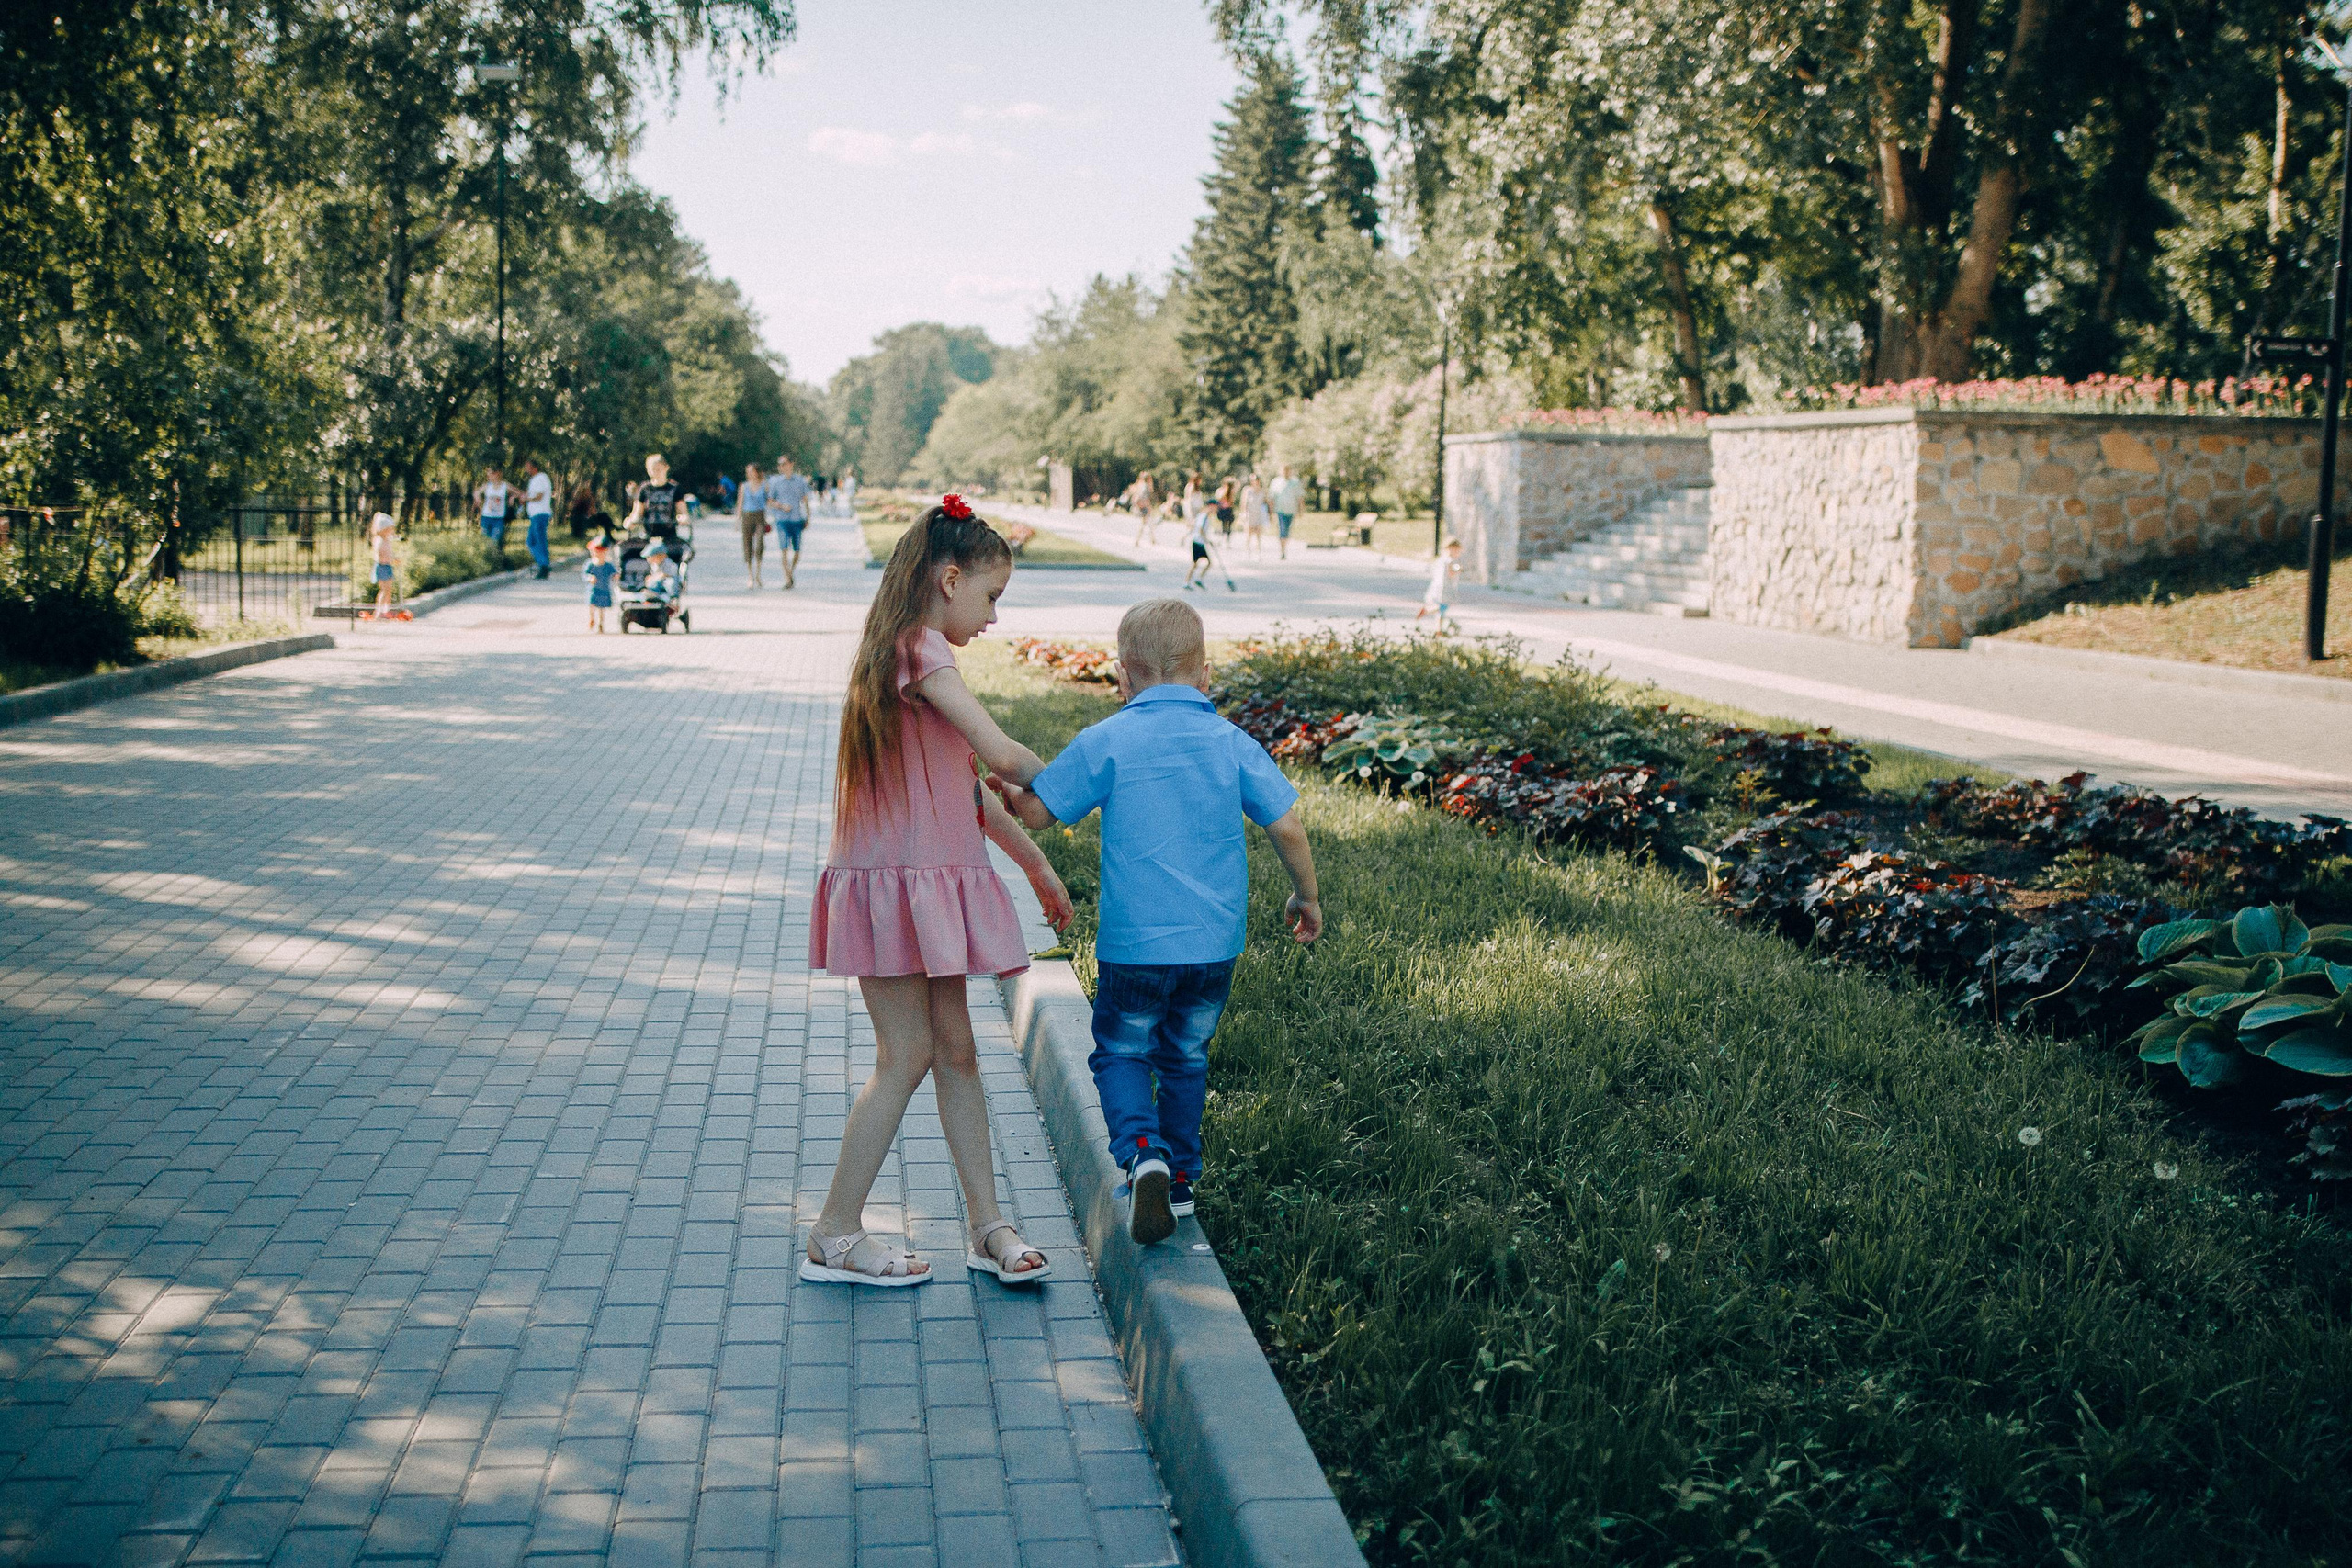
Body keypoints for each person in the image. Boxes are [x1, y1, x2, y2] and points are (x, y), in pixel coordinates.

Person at [801, 495, 1073, 1289]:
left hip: (921, 890)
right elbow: (998, 752)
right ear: (949, 578)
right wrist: (1088, 784)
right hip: (897, 889)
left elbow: (968, 789)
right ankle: (834, 1232)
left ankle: (986, 1226)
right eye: (991, 596)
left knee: (956, 1050)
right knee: (909, 1053)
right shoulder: (919, 648)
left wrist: (1035, 865)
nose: (993, 616)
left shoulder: (909, 649)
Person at [990, 598, 1321, 1243]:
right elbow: (1286, 823)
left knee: (1121, 1049)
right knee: (1185, 1055)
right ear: (1206, 676)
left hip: (1134, 946)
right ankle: (1182, 1179)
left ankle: (1144, 1152)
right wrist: (1305, 895)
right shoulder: (1231, 741)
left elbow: (1037, 814)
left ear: (1123, 677)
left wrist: (1009, 790)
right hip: (1213, 947)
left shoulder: (1109, 738)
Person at [765, 457, 813, 591]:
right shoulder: (775, 482)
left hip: (797, 520)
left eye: (784, 464)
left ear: (791, 464)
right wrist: (780, 506)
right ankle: (787, 578)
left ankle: (790, 572)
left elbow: (805, 500)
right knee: (784, 549)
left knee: (797, 552)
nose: (782, 467)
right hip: (782, 520)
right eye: (780, 465)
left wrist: (808, 518)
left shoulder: (800, 481)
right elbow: (769, 501)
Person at [627, 455, 683, 546]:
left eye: (659, 469)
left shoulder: (675, 489)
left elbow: (683, 512)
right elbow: (637, 513)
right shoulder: (644, 489)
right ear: (649, 471)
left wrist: (682, 518)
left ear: (666, 468)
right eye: (653, 470)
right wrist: (631, 521)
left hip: (670, 537)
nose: (657, 473)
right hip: (648, 536)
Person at [1417, 536, 1464, 634]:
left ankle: (1438, 629)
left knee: (1441, 610)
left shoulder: (1441, 560)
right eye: (1456, 551)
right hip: (1445, 588)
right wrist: (1459, 570)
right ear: (1450, 549)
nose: (1457, 553)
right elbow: (1451, 573)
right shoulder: (1450, 561)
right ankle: (1427, 610)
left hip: (1437, 585)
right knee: (1443, 607)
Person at [522, 459, 554, 578]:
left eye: (528, 466)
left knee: (539, 540)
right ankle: (543, 563)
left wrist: (527, 499)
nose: (526, 469)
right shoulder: (534, 480)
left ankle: (544, 565)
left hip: (540, 514)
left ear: (534, 467)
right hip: (534, 515)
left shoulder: (541, 478)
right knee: (531, 541)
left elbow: (539, 496)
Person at [739, 463, 768, 588]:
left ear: (757, 472)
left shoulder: (764, 485)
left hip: (760, 516)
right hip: (747, 515)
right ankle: (750, 575)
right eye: (748, 471)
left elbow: (769, 500)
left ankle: (758, 574)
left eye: (751, 471)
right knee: (747, 544)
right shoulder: (744, 486)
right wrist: (737, 519)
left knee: (759, 544)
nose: (749, 474)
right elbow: (740, 502)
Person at [1269, 465, 1304, 561]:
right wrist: (1271, 512)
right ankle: (1282, 550)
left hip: (1291, 510)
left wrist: (1301, 510)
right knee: (1282, 529)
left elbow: (1300, 497)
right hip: (1280, 510)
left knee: (1287, 531)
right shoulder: (1276, 482)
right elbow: (1272, 498)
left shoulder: (1295, 482)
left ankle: (1284, 547)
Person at [368, 513, 400, 617]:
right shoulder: (379, 541)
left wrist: (394, 559)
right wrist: (390, 559)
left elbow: (389, 553)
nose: (391, 531)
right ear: (383, 530)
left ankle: (386, 609)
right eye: (389, 529)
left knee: (389, 589)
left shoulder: (386, 540)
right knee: (384, 589)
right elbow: (382, 555)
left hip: (387, 566)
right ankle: (379, 610)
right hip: (382, 567)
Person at [582, 538, 616, 632]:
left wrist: (616, 576)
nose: (599, 554)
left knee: (602, 608)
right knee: (592, 605)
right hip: (593, 590)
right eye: (596, 552)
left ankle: (601, 623)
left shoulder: (608, 565)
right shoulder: (590, 564)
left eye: (601, 552)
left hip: (604, 589)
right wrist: (589, 578)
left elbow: (614, 573)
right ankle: (592, 618)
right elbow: (585, 575)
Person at [1182, 491, 1215, 592]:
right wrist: (1207, 540)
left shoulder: (1205, 515)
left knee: (1207, 563)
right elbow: (1200, 529)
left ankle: (1198, 579)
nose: (1216, 509)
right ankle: (1187, 582)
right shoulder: (1204, 516)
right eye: (1215, 507)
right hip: (1198, 542)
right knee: (1195, 563)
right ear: (1210, 506)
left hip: (1200, 542)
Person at [475, 466, 511, 552]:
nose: (488, 477)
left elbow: (518, 493)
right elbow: (476, 492)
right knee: (485, 541)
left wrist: (512, 497)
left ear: (497, 474)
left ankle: (493, 560)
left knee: (494, 540)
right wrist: (477, 498)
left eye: (490, 474)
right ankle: (487, 560)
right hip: (486, 517)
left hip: (498, 519)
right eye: (487, 475)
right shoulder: (487, 486)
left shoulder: (505, 486)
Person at [1238, 474, 1270, 559]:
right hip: (1250, 514)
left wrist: (1269, 514)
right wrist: (1243, 513)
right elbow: (1244, 503)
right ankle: (1247, 551)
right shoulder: (1247, 490)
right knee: (1249, 533)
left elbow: (1266, 502)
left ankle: (1258, 552)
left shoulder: (1262, 491)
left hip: (1259, 514)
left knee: (1258, 534)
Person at [1128, 472, 1160, 547]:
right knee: (1146, 523)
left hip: (1143, 506)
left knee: (1148, 523)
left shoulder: (1142, 485)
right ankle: (1139, 540)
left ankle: (1152, 539)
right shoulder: (1145, 487)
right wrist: (1148, 507)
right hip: (1144, 506)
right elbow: (1144, 498)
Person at [1214, 477, 1237, 544]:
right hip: (1222, 510)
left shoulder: (1231, 491)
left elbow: (1232, 501)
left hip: (1228, 509)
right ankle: (1222, 538)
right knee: (1222, 524)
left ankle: (1227, 539)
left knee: (1229, 525)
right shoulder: (1220, 490)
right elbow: (1218, 499)